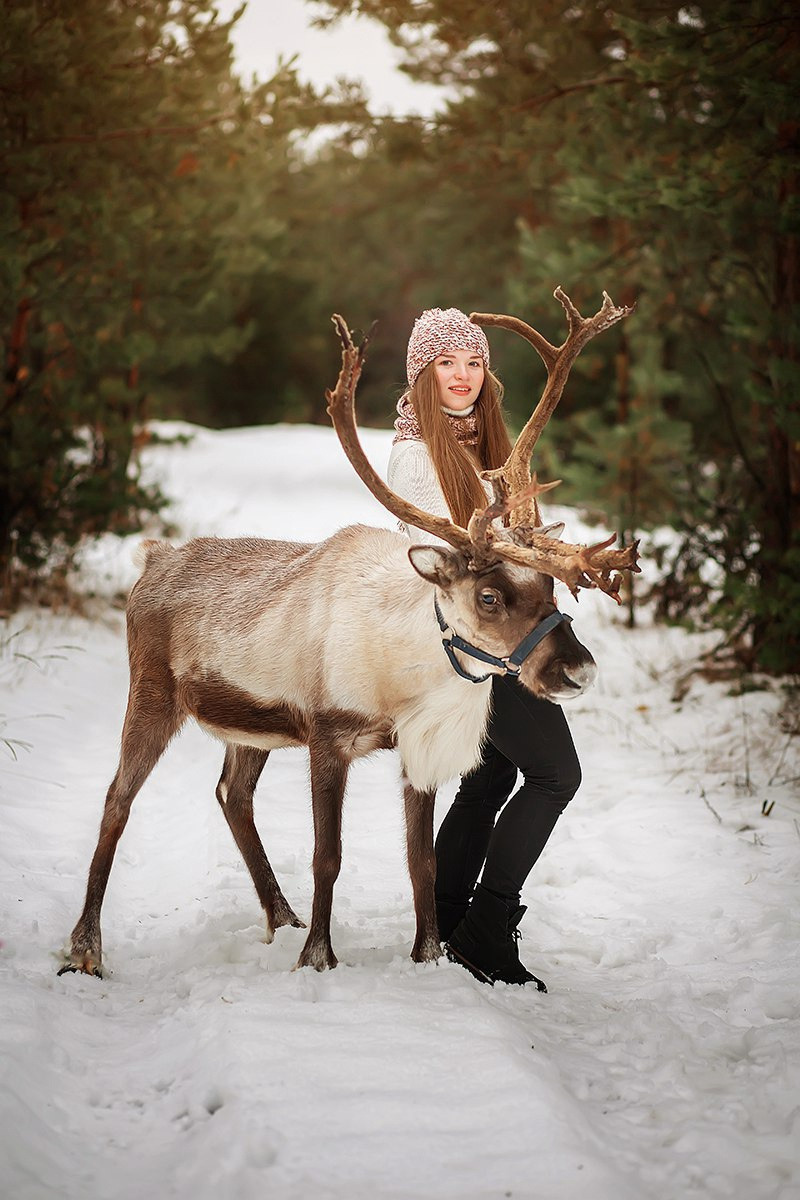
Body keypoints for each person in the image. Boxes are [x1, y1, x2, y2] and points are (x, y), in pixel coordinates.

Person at [387, 307, 582, 991]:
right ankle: (486, 930)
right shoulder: (415, 458)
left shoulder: (487, 446)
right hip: (474, 639)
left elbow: (511, 546)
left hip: (499, 632)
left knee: (490, 778)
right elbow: (464, 561)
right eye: (446, 363)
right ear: (422, 374)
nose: (463, 376)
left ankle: (444, 917)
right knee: (557, 776)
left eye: (473, 363)